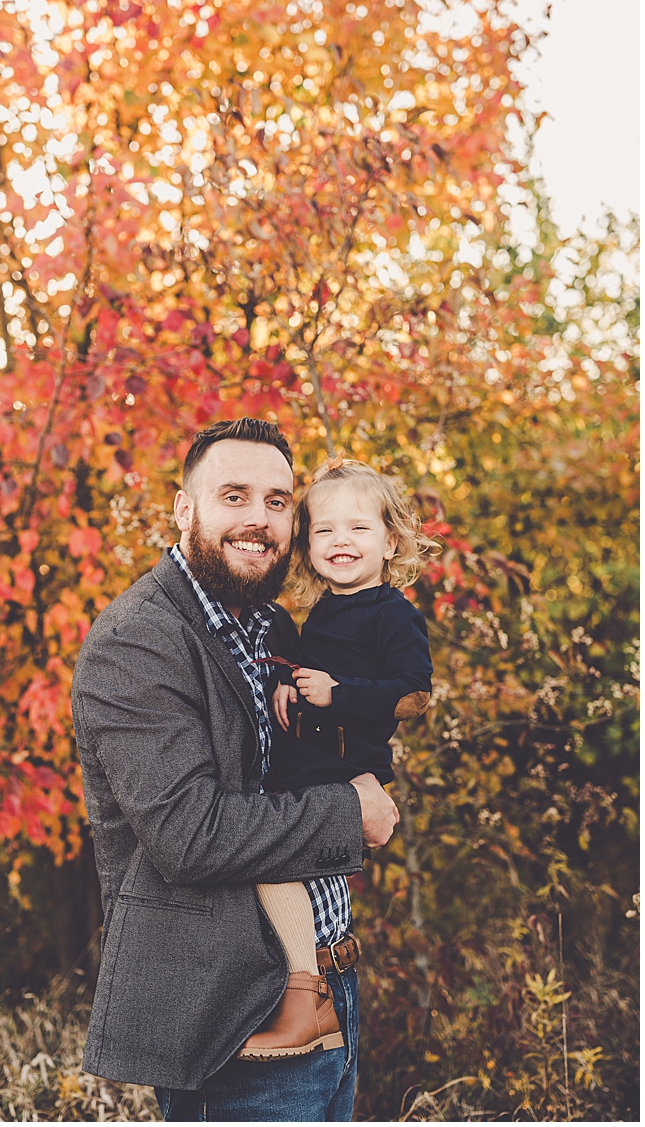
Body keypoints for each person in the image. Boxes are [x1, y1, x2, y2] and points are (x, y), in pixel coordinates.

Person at [71, 418, 399, 1120]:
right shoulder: (136, 641)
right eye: (235, 496)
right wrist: (351, 811)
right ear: (185, 510)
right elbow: (189, 835)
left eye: (278, 502)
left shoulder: (272, 628)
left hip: (329, 981)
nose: (259, 519)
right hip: (235, 1017)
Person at [241, 456, 437, 1060]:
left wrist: (338, 695)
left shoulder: (394, 614)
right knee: (279, 866)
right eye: (324, 530)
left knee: (270, 859)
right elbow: (314, 675)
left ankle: (307, 1001)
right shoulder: (324, 610)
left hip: (347, 765)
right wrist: (290, 687)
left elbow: (414, 694)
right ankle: (307, 989)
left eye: (358, 528)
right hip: (315, 760)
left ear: (391, 540)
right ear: (306, 545)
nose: (340, 541)